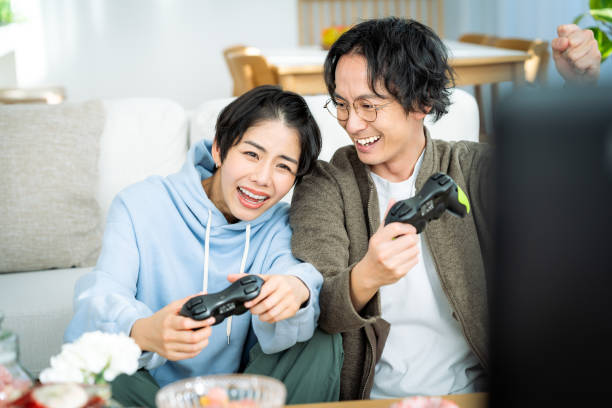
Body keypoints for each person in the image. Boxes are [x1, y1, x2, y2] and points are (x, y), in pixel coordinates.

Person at [288, 18, 601, 400]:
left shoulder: (471, 168)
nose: (352, 123)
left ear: (421, 102)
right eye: (341, 104)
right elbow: (316, 311)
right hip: (371, 399)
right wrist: (367, 276)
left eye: (368, 106)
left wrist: (578, 88)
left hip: (473, 394)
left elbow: (559, 188)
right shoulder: (326, 184)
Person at [65, 86, 342, 407]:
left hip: (247, 394)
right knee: (92, 361)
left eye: (283, 166)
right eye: (252, 154)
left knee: (319, 336)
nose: (263, 178)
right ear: (220, 149)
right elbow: (103, 294)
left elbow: (293, 272)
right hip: (152, 393)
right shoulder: (139, 204)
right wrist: (143, 331)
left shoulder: (281, 222)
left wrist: (297, 289)